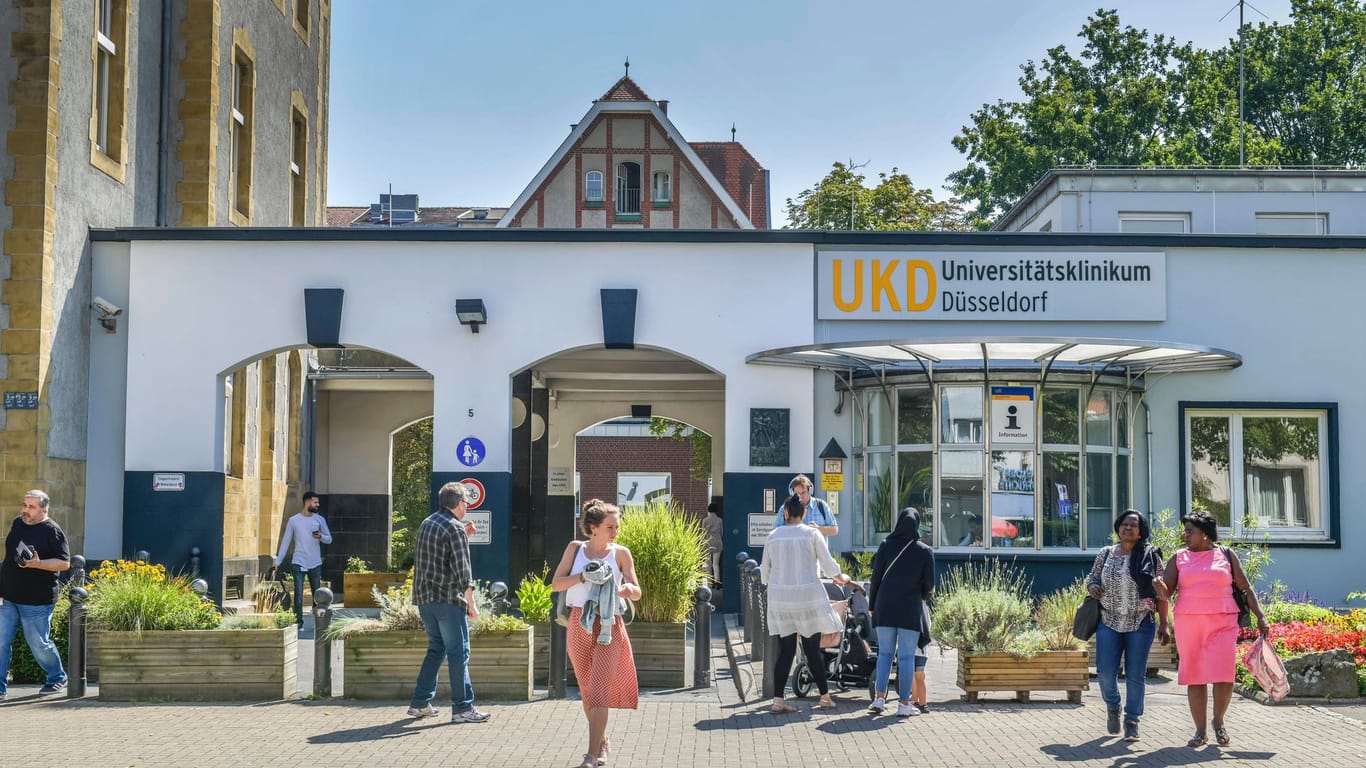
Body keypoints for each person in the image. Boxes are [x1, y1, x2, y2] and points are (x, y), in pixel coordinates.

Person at [1158, 509, 1268, 748]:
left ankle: (1219, 722)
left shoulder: (1226, 555)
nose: (1185, 535)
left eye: (1190, 531)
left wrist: (1260, 616)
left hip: (1224, 621)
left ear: (1205, 535)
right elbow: (1166, 592)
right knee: (1194, 675)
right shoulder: (1179, 557)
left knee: (1223, 674)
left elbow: (1246, 588)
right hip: (1190, 621)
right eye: (1185, 531)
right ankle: (1200, 731)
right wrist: (1158, 588)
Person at [551, 499, 642, 768]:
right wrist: (583, 577)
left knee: (600, 689)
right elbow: (557, 584)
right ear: (593, 528)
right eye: (610, 527)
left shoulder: (621, 553)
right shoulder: (575, 549)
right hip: (579, 621)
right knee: (587, 689)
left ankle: (591, 755)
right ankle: (601, 740)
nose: (616, 531)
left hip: (609, 623)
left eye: (617, 526)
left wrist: (626, 590)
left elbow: (637, 590)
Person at [407, 482, 491, 724]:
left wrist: (464, 535)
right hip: (447, 600)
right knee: (459, 653)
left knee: (436, 648)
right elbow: (462, 572)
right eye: (466, 502)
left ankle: (420, 703)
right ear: (457, 503)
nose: (467, 506)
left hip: (425, 600)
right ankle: (463, 708)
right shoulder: (454, 528)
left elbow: (437, 555)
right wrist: (472, 604)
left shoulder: (429, 522)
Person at [760, 494, 851, 713]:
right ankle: (825, 697)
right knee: (812, 650)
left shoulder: (773, 536)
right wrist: (841, 578)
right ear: (803, 514)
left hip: (781, 601)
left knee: (786, 651)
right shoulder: (812, 534)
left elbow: (765, 572)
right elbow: (828, 565)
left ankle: (778, 700)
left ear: (785, 513)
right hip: (808, 599)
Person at [1086, 509, 1171, 742]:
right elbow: (1092, 578)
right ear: (1118, 527)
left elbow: (1162, 593)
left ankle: (1132, 720)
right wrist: (1093, 587)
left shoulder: (1151, 556)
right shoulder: (1105, 554)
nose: (1128, 528)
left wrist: (1165, 624)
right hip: (1109, 621)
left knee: (1135, 675)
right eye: (1124, 524)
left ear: (1140, 530)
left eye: (1133, 525)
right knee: (1105, 673)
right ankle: (1113, 706)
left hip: (1140, 622)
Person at [0, 490, 71, 700]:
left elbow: (64, 563)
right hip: (10, 597)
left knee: (39, 643)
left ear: (43, 510)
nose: (25, 510)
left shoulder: (53, 531)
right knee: (1, 641)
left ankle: (57, 676)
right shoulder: (18, 523)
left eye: (31, 507)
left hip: (37, 600)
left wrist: (38, 564)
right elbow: (8, 559)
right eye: (24, 505)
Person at [866, 507, 935, 717]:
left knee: (884, 655)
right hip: (909, 610)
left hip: (885, 608)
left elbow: (875, 578)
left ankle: (879, 699)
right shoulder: (924, 551)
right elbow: (930, 584)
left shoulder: (886, 545)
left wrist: (872, 605)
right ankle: (904, 704)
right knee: (906, 658)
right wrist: (921, 595)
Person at [273, 491, 333, 627]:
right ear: (307, 502)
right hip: (298, 561)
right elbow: (286, 541)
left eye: (318, 503)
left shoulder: (319, 520)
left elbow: (329, 539)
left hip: (315, 562)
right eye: (315, 502)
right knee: (298, 594)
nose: (317, 505)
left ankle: (319, 622)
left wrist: (321, 537)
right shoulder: (294, 520)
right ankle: (298, 622)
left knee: (317, 595)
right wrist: (278, 561)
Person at [771, 474, 837, 538]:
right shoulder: (785, 508)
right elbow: (776, 531)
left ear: (810, 491)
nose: (800, 496)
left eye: (803, 492)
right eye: (797, 493)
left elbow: (834, 530)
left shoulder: (821, 505)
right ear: (792, 493)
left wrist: (817, 528)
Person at [911, 601, 932, 713]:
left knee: (914, 677)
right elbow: (928, 626)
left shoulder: (911, 604)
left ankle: (915, 701)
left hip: (913, 647)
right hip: (923, 648)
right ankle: (922, 703)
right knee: (920, 676)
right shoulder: (925, 607)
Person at [701, 502, 724, 587]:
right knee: (715, 564)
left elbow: (703, 533)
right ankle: (717, 581)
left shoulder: (705, 520)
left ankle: (709, 583)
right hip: (717, 543)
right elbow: (721, 533)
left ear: (709, 510)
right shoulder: (720, 520)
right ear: (716, 510)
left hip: (707, 543)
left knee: (708, 564)